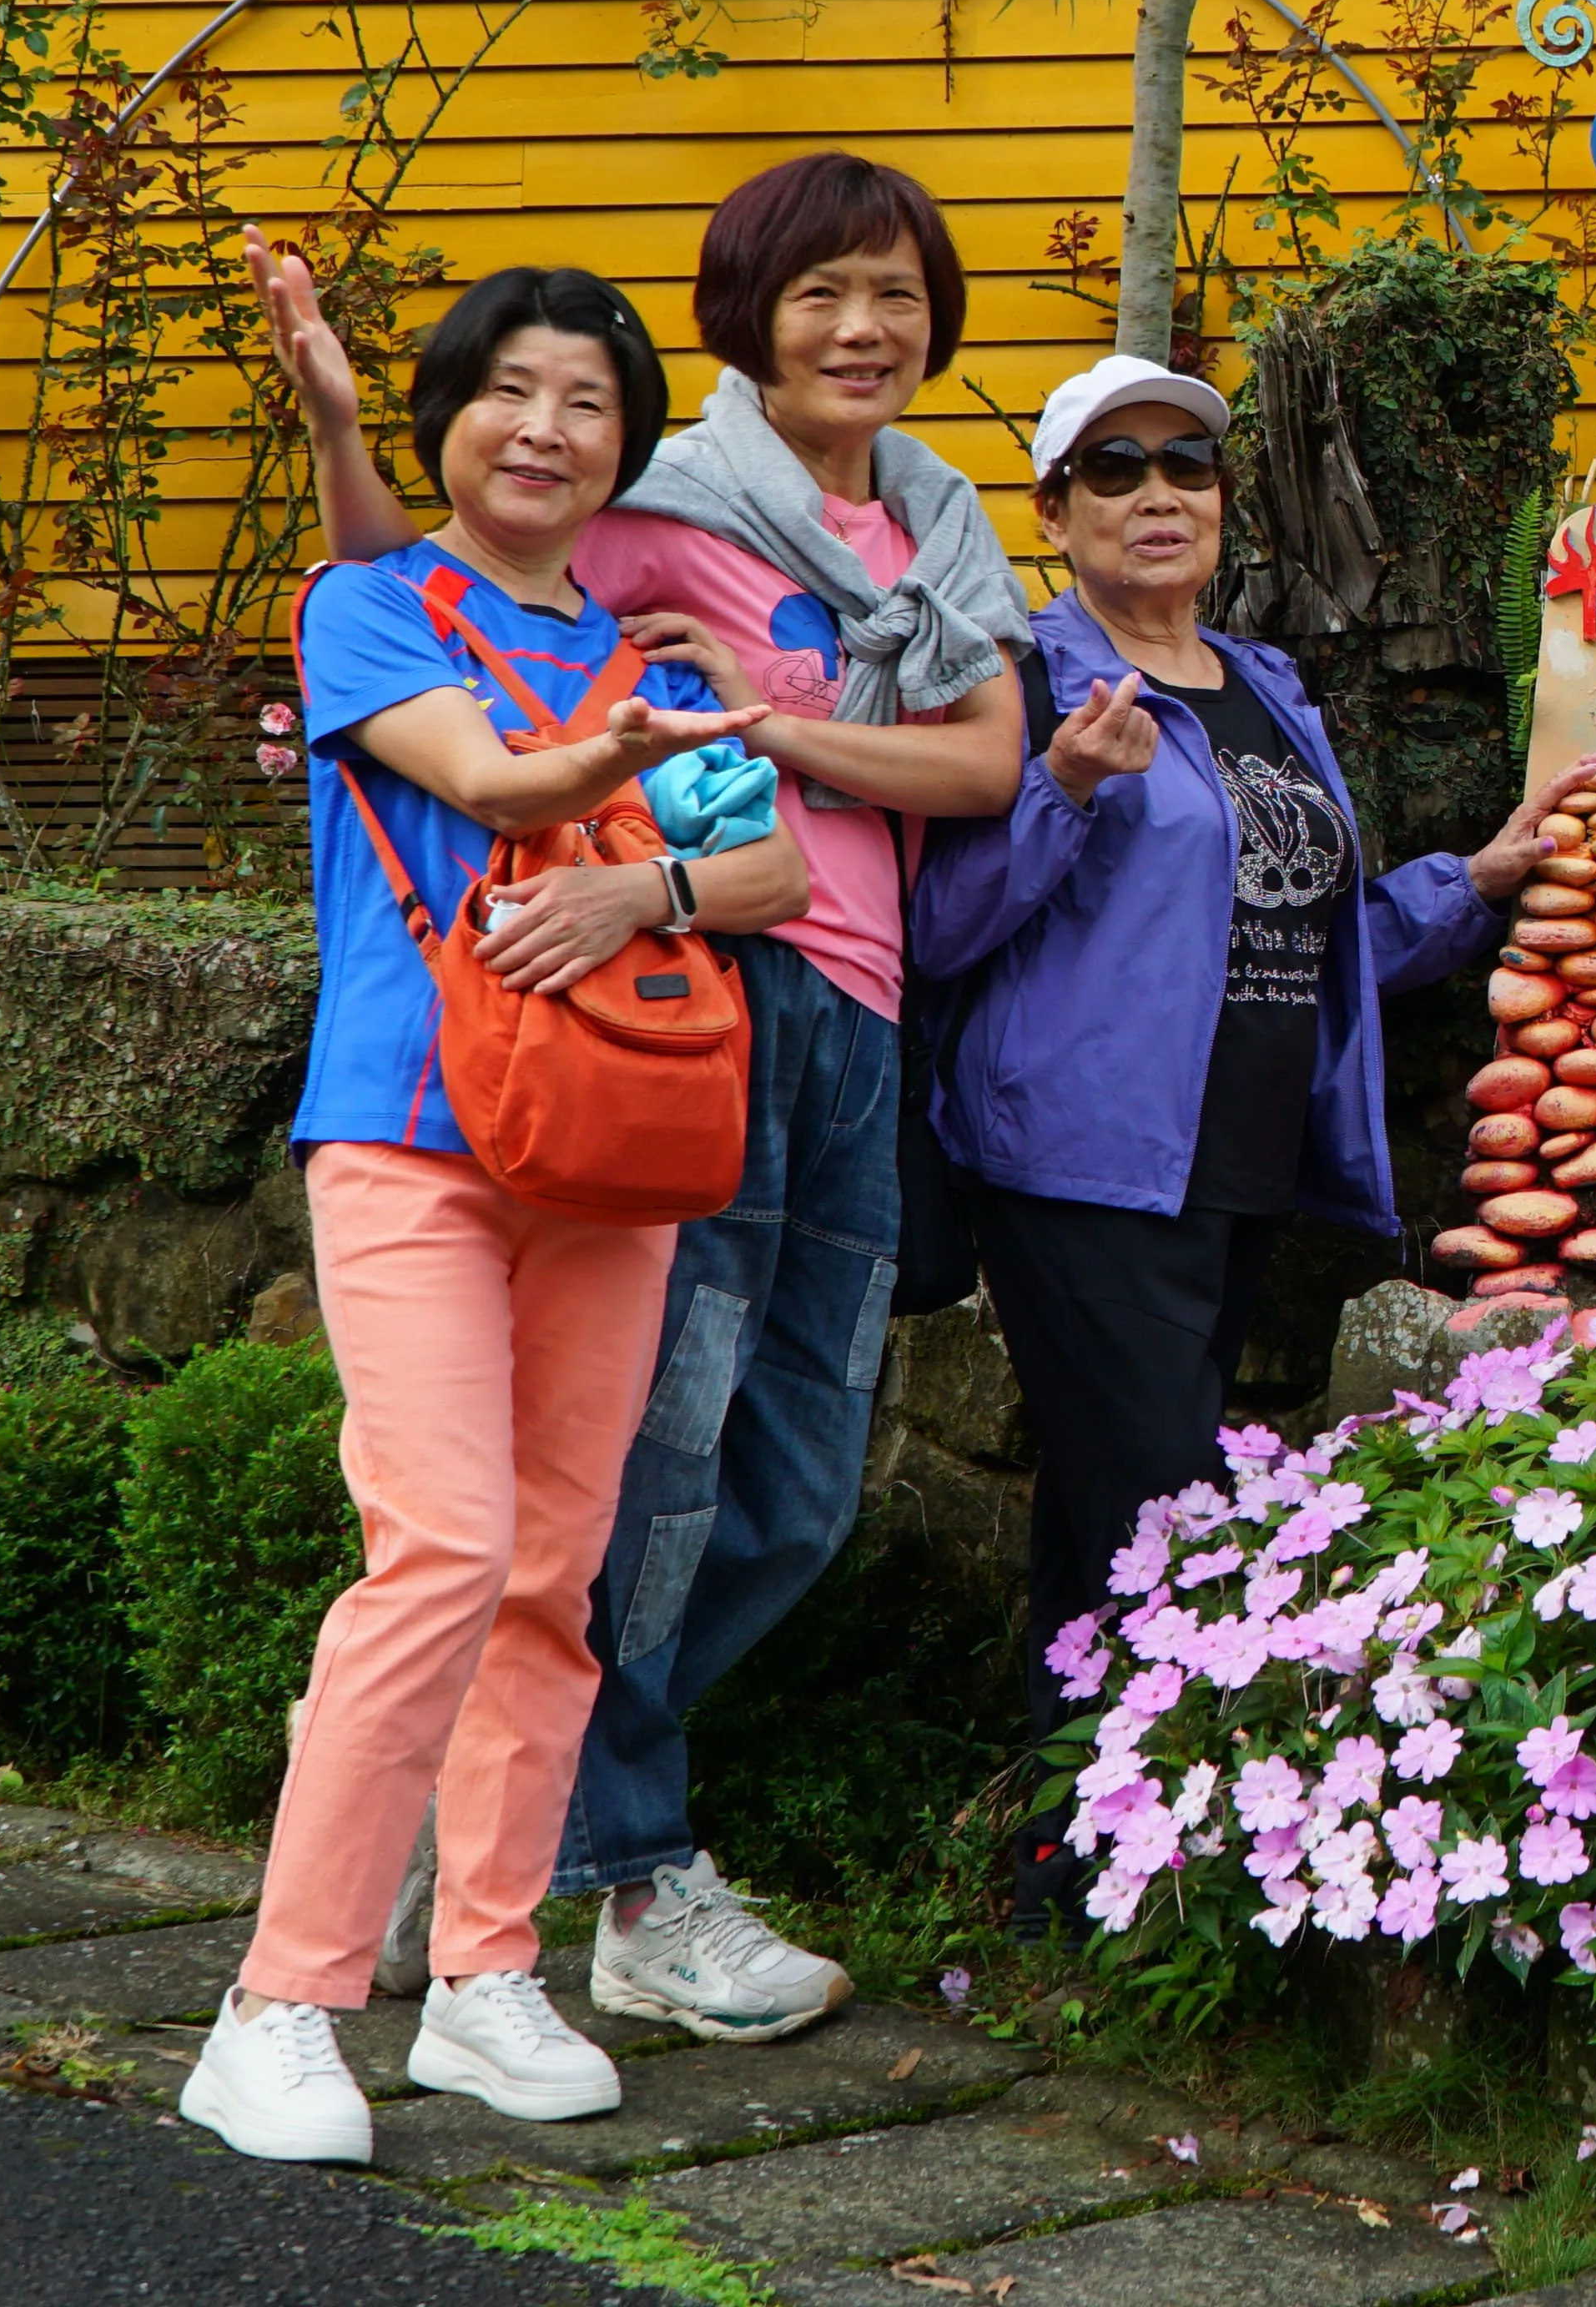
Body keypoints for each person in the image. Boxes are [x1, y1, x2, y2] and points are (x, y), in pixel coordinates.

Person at [258, 153, 1031, 2048]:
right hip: (660, 1035)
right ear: (746, 323)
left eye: (898, 290)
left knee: (782, 1477)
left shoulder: (934, 531)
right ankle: (592, 1878)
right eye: (822, 291)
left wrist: (695, 819)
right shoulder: (655, 517)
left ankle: (509, 1868)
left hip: (851, 994)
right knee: (584, 1506)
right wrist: (346, 430)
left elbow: (978, 767)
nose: (865, 324)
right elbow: (419, 574)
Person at [184, 269, 805, 2167]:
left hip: (610, 1155)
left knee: (555, 1567)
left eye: (588, 403)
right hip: (414, 1131)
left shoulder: (643, 652)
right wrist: (632, 765)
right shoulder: (371, 604)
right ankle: (282, 2001)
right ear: (446, 416)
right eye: (508, 392)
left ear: (626, 444)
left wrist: (653, 898)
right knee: (439, 1547)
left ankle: (483, 1977)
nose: (544, 428)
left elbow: (768, 863)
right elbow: (483, 773)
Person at [909, 359, 1586, 1923]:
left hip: (1234, 1153)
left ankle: (1059, 1859)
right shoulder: (1017, 682)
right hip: (1081, 1158)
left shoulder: (1265, 685)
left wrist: (1471, 883)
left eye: (1189, 467)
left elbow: (1314, 925)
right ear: (1054, 509)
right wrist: (1065, 788)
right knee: (1156, 1508)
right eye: (1116, 468)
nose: (1159, 494)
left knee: (1109, 1509)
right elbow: (942, 930)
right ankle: (1111, 1869)